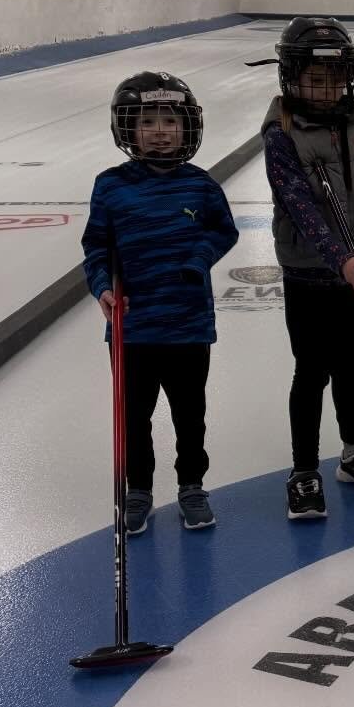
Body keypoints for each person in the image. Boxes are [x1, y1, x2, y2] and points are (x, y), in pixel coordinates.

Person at [262, 17, 354, 520]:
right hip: (309, 273)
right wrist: (338, 256)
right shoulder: (282, 137)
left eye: (335, 79)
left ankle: (353, 452)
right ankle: (304, 469)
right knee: (311, 369)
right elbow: (299, 204)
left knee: (349, 363)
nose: (326, 90)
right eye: (314, 79)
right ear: (291, 77)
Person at [81, 71, 237, 534]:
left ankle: (192, 485)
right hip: (134, 327)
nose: (160, 131)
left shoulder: (202, 186)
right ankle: (139, 489)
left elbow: (222, 230)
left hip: (187, 324)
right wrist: (101, 286)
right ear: (127, 128)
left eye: (169, 120)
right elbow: (95, 246)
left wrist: (197, 259)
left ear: (187, 126)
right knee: (135, 416)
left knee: (190, 415)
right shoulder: (110, 186)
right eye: (147, 121)